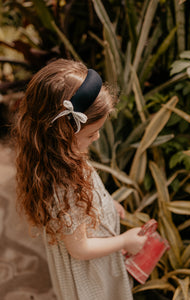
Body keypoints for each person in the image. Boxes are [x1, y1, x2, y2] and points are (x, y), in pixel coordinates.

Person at [14, 59, 147, 300]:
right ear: (61, 135)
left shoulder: (58, 158)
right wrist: (124, 241)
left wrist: (107, 205)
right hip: (89, 273)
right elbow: (80, 248)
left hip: (92, 259)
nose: (96, 138)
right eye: (91, 133)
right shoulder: (66, 183)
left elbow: (80, 208)